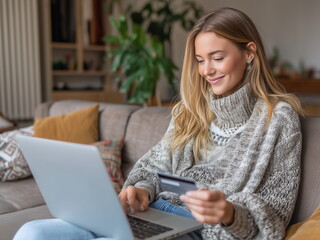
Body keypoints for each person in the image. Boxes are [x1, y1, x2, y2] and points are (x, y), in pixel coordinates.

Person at [14, 7, 302, 240]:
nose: (206, 70)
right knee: (33, 232)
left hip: (199, 230)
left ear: (249, 53)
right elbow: (153, 167)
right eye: (200, 60)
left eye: (217, 58)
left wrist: (229, 213)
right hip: (152, 214)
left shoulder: (279, 120)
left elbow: (275, 213)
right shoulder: (188, 113)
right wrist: (141, 188)